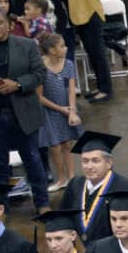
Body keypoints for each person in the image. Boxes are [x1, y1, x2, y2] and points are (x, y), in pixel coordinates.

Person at [0, 6, 52, 211]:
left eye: (0, 22)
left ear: (8, 24)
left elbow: (40, 73)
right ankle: (1, 208)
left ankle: (42, 203)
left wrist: (18, 84)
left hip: (23, 113)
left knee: (32, 159)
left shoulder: (26, 45)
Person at [44, 0, 110, 101]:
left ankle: (105, 89)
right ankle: (99, 87)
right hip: (78, 15)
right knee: (90, 52)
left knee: (97, 53)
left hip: (91, 14)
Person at [57, 131, 128, 243]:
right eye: (85, 161)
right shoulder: (75, 184)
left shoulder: (125, 188)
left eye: (95, 161)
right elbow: (64, 218)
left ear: (109, 163)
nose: (89, 166)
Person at [36, 33, 78, 189]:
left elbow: (71, 89)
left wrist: (72, 110)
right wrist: (61, 109)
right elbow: (39, 96)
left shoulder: (68, 64)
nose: (65, 48)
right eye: (62, 46)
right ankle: (61, 179)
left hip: (67, 107)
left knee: (67, 143)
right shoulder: (40, 67)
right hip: (50, 110)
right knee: (55, 146)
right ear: (52, 50)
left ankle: (72, 177)